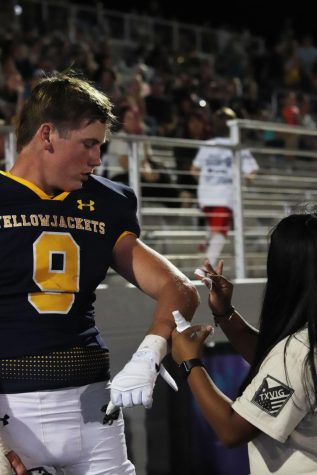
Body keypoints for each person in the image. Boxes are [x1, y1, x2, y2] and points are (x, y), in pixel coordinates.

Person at [0, 72, 200, 474]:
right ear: (47, 135)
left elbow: (178, 289)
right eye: (89, 144)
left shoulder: (107, 201)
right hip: (11, 408)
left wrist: (149, 355)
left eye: (100, 146)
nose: (97, 159)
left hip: (93, 401)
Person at [171, 212, 317, 474]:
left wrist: (190, 363)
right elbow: (277, 367)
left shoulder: (299, 351)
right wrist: (226, 314)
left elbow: (232, 430)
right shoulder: (302, 347)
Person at [191, 107, 259, 265]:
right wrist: (246, 180)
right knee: (221, 232)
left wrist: (206, 181)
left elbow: (194, 170)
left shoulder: (208, 145)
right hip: (225, 195)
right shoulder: (237, 147)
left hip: (207, 195)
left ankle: (207, 239)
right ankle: (206, 267)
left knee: (218, 226)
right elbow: (252, 170)